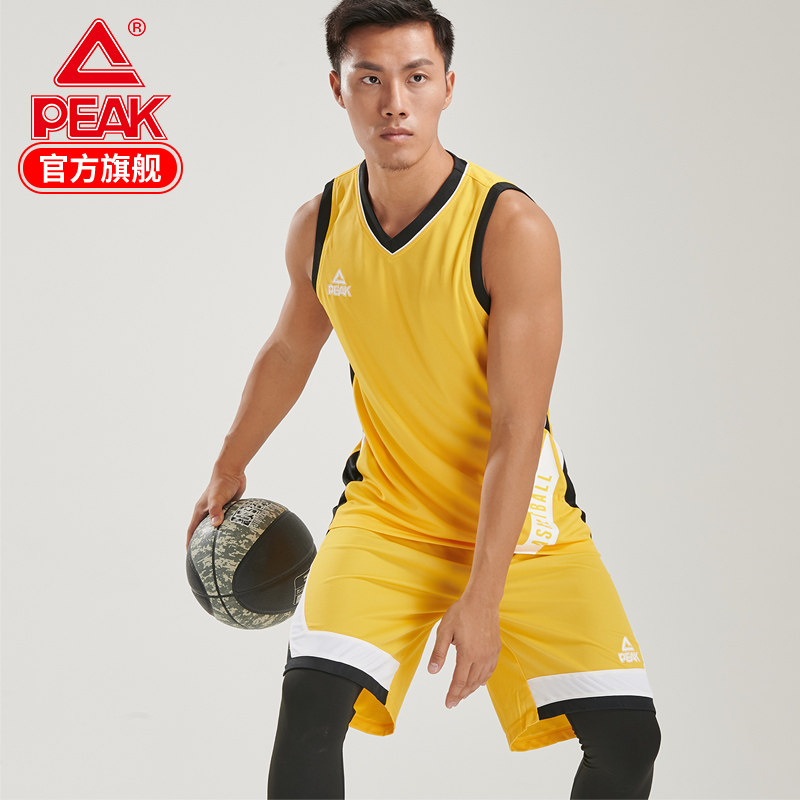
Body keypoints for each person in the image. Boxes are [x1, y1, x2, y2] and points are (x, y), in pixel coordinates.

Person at [186, 1, 661, 797]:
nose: (394, 103)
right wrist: (228, 464)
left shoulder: (510, 227)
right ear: (338, 90)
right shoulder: (321, 225)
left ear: (447, 86)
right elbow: (290, 349)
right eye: (369, 79)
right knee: (311, 704)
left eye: (415, 77)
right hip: (388, 516)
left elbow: (517, 427)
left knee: (628, 741)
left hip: (523, 528)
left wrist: (485, 596)